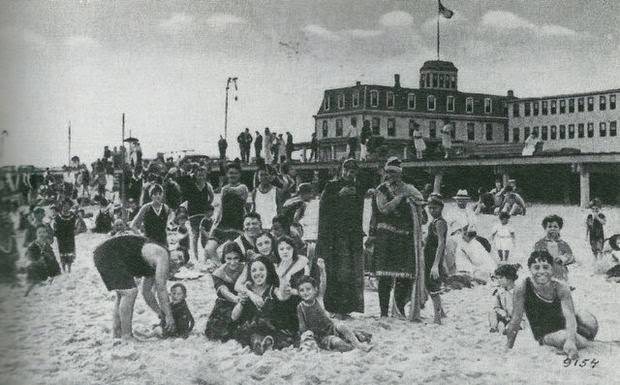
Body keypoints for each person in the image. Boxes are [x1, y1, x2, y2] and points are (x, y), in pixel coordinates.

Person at [505, 251, 598, 359]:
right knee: (564, 337)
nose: (541, 271)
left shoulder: (561, 287)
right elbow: (516, 319)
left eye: (545, 267)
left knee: (587, 318)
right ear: (530, 269)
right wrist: (508, 345)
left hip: (570, 326)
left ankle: (582, 341)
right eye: (536, 268)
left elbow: (570, 316)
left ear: (552, 269)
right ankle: (585, 343)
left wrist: (571, 340)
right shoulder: (522, 288)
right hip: (547, 333)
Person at [93, 235, 180, 340]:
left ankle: (117, 333)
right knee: (130, 292)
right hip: (108, 253)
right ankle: (127, 336)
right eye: (179, 258)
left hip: (104, 252)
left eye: (181, 262)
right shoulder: (163, 255)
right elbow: (161, 289)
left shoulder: (155, 263)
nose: (178, 262)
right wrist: (169, 316)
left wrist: (160, 313)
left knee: (123, 294)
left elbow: (147, 292)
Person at [371, 157, 426, 319]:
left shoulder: (409, 189)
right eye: (388, 172)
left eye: (394, 172)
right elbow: (383, 209)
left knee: (404, 276)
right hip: (386, 238)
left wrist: (417, 208)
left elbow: (422, 212)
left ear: (400, 173)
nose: (390, 175)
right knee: (385, 276)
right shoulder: (381, 189)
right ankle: (383, 312)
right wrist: (400, 198)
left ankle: (399, 309)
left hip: (404, 238)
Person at [316, 158, 365, 319]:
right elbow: (323, 211)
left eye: (353, 170)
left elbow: (359, 214)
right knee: (336, 271)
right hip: (335, 237)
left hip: (352, 236)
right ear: (342, 170)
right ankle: (334, 308)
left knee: (351, 272)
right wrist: (338, 196)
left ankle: (347, 309)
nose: (349, 173)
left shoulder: (358, 187)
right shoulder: (331, 186)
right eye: (347, 169)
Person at [297, 262, 373, 352]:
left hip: (332, 328)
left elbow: (323, 283)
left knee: (341, 326)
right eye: (302, 290)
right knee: (339, 344)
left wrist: (322, 270)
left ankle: (359, 345)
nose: (305, 292)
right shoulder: (301, 307)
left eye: (308, 289)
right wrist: (308, 334)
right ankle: (353, 344)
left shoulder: (319, 299)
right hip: (322, 337)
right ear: (298, 293)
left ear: (315, 290)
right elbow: (302, 327)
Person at [231, 256, 296, 354]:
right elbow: (234, 317)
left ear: (268, 272)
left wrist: (281, 276)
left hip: (271, 326)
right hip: (254, 327)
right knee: (254, 336)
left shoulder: (272, 289)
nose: (257, 273)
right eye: (254, 271)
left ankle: (266, 343)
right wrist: (241, 301)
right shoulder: (247, 288)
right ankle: (260, 344)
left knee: (278, 337)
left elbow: (282, 297)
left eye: (261, 269)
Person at [205, 162, 249, 266]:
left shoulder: (243, 187)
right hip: (223, 224)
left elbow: (239, 194)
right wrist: (214, 226)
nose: (232, 175)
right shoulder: (224, 188)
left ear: (239, 175)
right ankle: (221, 268)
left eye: (235, 173)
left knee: (240, 253)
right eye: (230, 173)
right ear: (227, 174)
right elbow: (221, 208)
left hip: (238, 224)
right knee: (209, 249)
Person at [205, 242, 246, 341]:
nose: (233, 262)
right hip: (226, 304)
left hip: (244, 301)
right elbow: (224, 291)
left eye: (236, 258)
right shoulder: (218, 273)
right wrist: (236, 299)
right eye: (229, 258)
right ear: (224, 258)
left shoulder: (245, 268)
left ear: (240, 257)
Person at [181, 166, 214, 261]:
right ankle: (195, 257)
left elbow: (211, 197)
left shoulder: (208, 186)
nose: (200, 176)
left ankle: (206, 257)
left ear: (205, 175)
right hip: (193, 214)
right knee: (195, 235)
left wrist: (207, 206)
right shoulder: (191, 185)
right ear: (195, 175)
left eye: (202, 174)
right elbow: (185, 197)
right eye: (198, 174)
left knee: (205, 234)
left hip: (204, 213)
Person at [424, 196, 447, 324]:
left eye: (435, 208)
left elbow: (441, 243)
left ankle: (437, 319)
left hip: (433, 258)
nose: (432, 210)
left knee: (433, 288)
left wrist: (435, 264)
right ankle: (441, 313)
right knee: (432, 286)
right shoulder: (434, 221)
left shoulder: (439, 222)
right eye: (430, 208)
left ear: (441, 208)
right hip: (430, 257)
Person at [533, 215, 574, 282]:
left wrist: (563, 258)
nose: (552, 229)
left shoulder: (563, 244)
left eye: (555, 227)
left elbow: (571, 256)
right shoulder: (540, 243)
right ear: (545, 228)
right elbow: (534, 258)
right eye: (549, 227)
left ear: (559, 229)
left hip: (560, 273)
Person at [25, 225, 62, 296]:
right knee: (32, 270)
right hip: (37, 268)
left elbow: (53, 258)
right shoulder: (32, 246)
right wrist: (39, 260)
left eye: (44, 232)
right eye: (39, 233)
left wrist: (48, 257)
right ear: (36, 234)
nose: (42, 234)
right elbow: (30, 259)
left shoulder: (47, 244)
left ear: (46, 233)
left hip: (48, 269)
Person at [489, 264, 518, 333]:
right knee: (492, 313)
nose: (499, 280)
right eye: (497, 278)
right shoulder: (500, 292)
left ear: (509, 278)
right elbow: (496, 307)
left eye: (501, 278)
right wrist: (503, 313)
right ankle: (494, 328)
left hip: (516, 318)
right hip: (505, 316)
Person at [53, 199, 78, 273]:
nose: (66, 207)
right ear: (62, 206)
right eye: (64, 206)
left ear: (70, 207)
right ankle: (63, 269)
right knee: (62, 253)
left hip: (70, 237)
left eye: (68, 206)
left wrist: (74, 231)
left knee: (70, 252)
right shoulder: (58, 217)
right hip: (61, 237)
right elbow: (55, 227)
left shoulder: (72, 216)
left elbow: (75, 226)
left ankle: (69, 269)